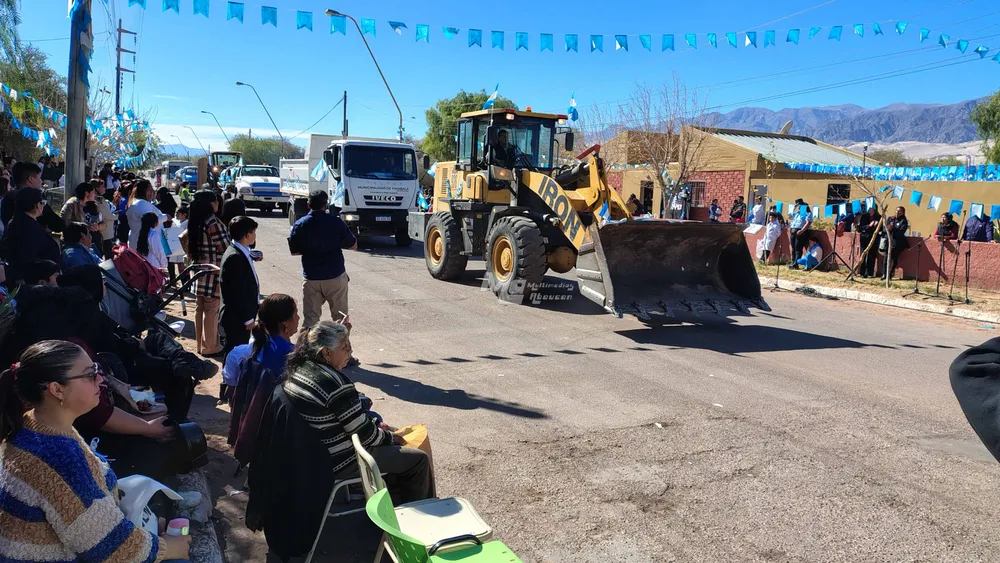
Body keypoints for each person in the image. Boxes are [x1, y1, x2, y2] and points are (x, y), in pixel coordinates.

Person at [0, 341, 191, 562]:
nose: (101, 380)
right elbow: (111, 548)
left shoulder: (31, 427)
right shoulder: (59, 459)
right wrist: (169, 549)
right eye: (90, 374)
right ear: (56, 389)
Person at [282, 321, 435, 503]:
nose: (350, 352)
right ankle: (420, 513)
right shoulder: (334, 382)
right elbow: (366, 436)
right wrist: (389, 437)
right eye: (345, 347)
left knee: (388, 431)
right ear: (326, 352)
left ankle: (396, 498)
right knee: (418, 460)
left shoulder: (302, 368)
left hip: (312, 451)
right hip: (339, 460)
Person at [288, 189, 361, 362]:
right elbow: (353, 245)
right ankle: (343, 356)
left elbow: (294, 250)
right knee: (341, 319)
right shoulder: (336, 223)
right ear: (326, 204)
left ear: (308, 205)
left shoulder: (301, 224)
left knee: (311, 320)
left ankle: (308, 355)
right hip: (335, 277)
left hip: (312, 278)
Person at [187, 190, 229, 356]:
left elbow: (184, 239)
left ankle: (201, 345)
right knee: (211, 311)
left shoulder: (196, 220)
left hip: (199, 271)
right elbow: (226, 247)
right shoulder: (213, 222)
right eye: (216, 201)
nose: (218, 204)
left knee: (200, 309)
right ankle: (211, 347)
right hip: (213, 272)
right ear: (210, 204)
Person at [220, 215, 261, 363]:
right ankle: (228, 384)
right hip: (237, 318)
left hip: (239, 316)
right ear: (247, 235)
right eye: (254, 232)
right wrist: (248, 319)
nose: (255, 236)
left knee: (237, 351)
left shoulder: (239, 249)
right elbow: (238, 293)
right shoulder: (235, 257)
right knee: (234, 353)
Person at [1, 187, 61, 284]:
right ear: (37, 205)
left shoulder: (18, 222)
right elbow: (26, 258)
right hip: (35, 283)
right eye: (42, 203)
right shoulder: (27, 227)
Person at [126, 179, 167, 250]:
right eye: (149, 189)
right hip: (146, 246)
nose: (152, 192)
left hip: (138, 242)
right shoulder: (142, 204)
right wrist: (166, 217)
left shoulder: (138, 203)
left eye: (152, 189)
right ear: (142, 191)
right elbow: (150, 221)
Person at [92, 177, 117, 258]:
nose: (105, 188)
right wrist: (116, 216)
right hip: (105, 231)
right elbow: (107, 215)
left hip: (103, 230)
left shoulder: (97, 199)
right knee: (107, 254)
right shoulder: (99, 200)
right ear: (96, 188)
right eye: (102, 186)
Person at [883, 206, 909, 280]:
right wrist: (888, 229)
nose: (897, 212)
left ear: (903, 213)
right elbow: (885, 228)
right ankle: (884, 274)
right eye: (896, 210)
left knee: (894, 259)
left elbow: (901, 232)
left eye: (899, 211)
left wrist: (893, 229)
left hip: (897, 242)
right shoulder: (891, 219)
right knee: (886, 258)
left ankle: (890, 275)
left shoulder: (904, 221)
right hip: (889, 240)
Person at [787, 199, 813, 270]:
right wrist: (793, 208)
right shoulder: (797, 213)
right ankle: (793, 262)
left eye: (800, 206)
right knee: (793, 248)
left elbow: (808, 222)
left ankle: (796, 264)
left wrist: (802, 230)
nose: (799, 207)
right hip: (793, 230)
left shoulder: (807, 213)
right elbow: (789, 217)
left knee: (798, 248)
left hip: (801, 232)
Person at [858, 206, 882, 278]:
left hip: (874, 238)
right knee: (863, 254)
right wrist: (869, 225)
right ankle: (862, 272)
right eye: (869, 208)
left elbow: (881, 229)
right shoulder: (864, 216)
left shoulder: (878, 217)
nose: (870, 210)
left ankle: (870, 273)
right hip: (864, 237)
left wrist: (878, 225)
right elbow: (860, 228)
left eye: (872, 209)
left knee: (872, 255)